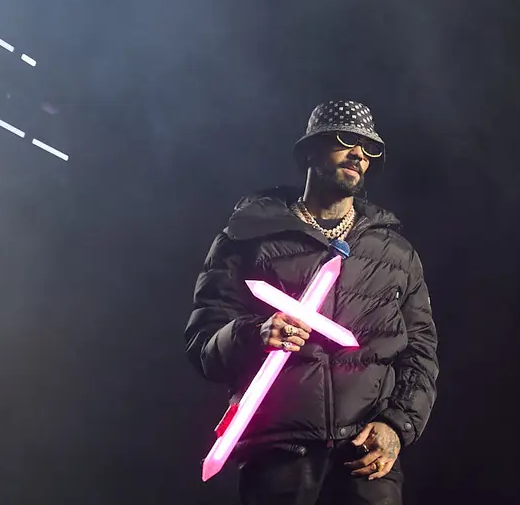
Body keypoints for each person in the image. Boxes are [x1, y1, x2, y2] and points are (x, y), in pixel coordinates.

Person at [186, 100, 439, 505]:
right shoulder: (247, 237)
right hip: (278, 452)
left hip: (365, 457)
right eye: (345, 140)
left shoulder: (396, 252)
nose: (358, 154)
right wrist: (255, 334)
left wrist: (396, 426)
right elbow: (203, 344)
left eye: (369, 148)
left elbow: (421, 354)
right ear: (309, 152)